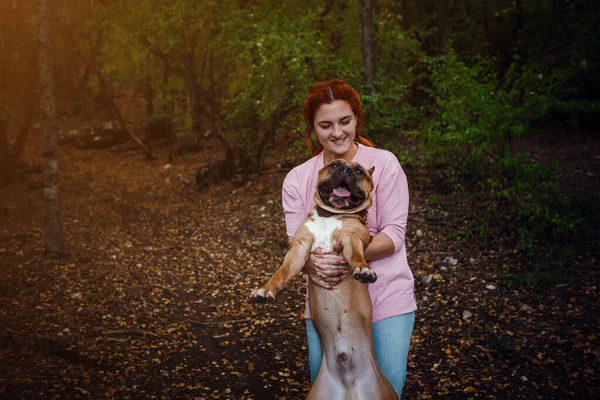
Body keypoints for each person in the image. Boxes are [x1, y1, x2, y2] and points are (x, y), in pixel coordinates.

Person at [281, 79, 417, 398]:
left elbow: (394, 234)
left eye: (345, 121)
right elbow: (297, 245)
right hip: (328, 302)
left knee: (382, 391)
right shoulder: (298, 179)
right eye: (325, 125)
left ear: (357, 118)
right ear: (313, 128)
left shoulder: (385, 165)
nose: (337, 132)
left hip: (387, 296)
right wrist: (313, 267)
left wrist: (351, 254)